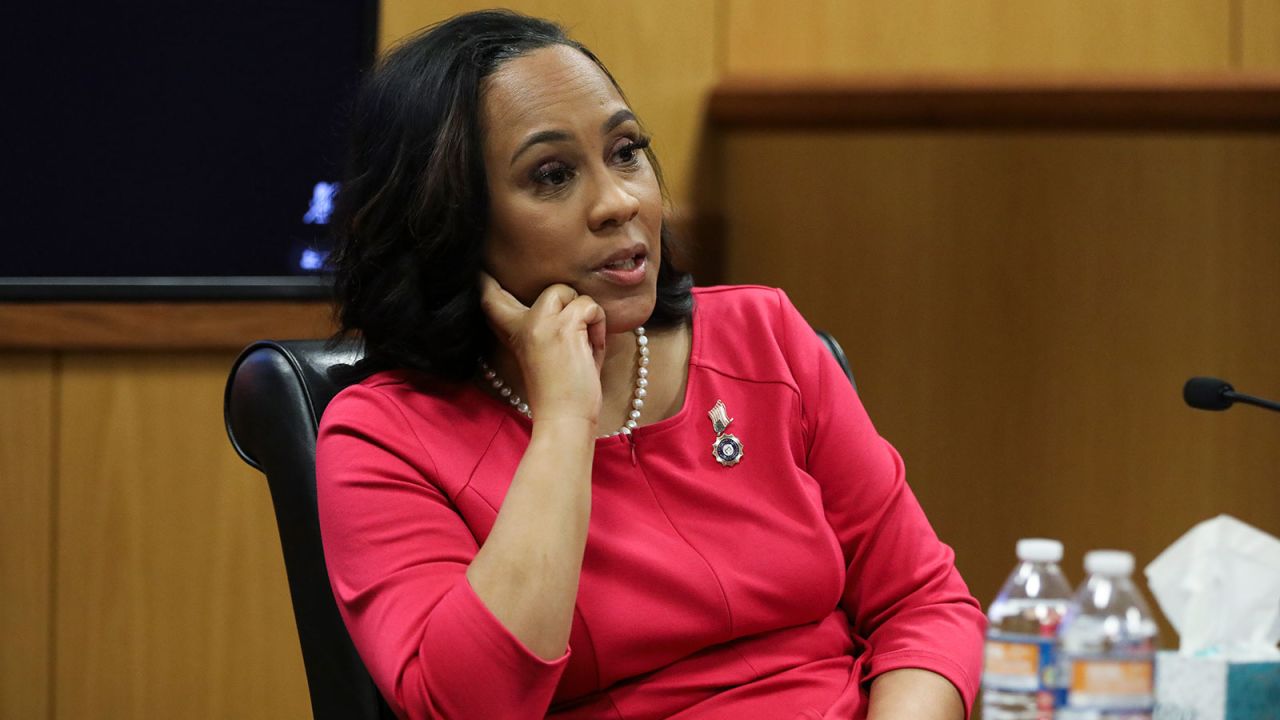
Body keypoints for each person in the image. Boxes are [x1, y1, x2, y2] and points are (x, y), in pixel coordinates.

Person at [317, 10, 985, 720]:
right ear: (447, 220)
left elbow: (924, 605)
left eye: (627, 151)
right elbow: (473, 706)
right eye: (552, 175)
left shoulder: (763, 336)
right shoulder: (380, 438)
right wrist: (564, 422)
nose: (620, 201)